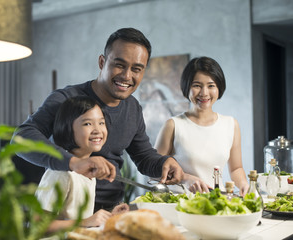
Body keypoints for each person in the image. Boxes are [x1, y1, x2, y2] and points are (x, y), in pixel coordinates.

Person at [13, 27, 184, 211]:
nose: (127, 76)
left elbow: (143, 157)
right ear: (102, 62)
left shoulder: (132, 107)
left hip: (111, 211)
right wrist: (74, 163)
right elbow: (21, 138)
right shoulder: (66, 99)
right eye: (119, 65)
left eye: (136, 69)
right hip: (67, 212)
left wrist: (163, 163)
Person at [154, 56, 249, 196]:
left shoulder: (231, 124)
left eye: (211, 86)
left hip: (218, 201)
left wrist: (244, 184)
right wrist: (185, 179)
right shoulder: (173, 125)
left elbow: (236, 168)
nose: (204, 93)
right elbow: (154, 171)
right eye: (197, 85)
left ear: (219, 88)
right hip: (181, 204)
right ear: (187, 87)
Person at [35, 96, 129, 231]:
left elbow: (81, 222)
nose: (97, 130)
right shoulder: (60, 172)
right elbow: (37, 226)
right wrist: (86, 221)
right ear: (67, 128)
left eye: (101, 123)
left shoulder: (89, 170)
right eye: (87, 124)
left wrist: (110, 217)